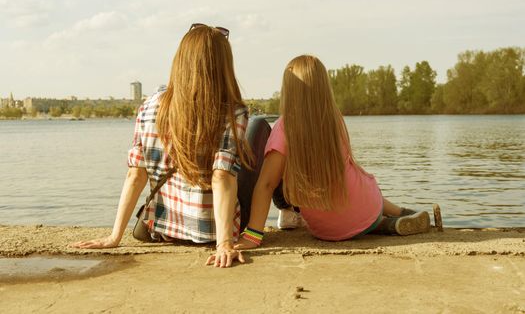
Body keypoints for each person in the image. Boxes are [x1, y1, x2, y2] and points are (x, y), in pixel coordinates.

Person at [73, 23, 254, 268]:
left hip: (164, 229)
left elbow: (135, 174)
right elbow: (221, 177)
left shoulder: (150, 105)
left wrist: (115, 236)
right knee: (260, 130)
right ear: (222, 65)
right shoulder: (233, 112)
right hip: (212, 232)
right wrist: (224, 244)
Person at [236, 55, 431, 250]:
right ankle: (398, 214)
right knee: (360, 186)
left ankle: (387, 222)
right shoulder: (334, 119)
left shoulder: (284, 128)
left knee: (285, 174)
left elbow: (267, 184)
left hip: (326, 231)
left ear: (288, 90)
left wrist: (253, 236)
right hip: (363, 204)